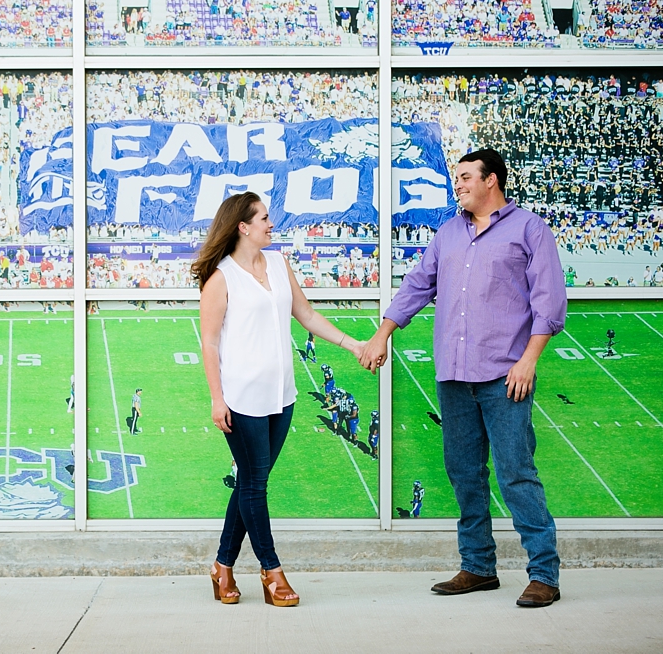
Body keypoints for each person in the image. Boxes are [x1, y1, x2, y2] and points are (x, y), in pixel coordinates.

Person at [360, 149, 567, 608]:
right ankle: (477, 566)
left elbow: (548, 302)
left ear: (491, 180)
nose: (458, 185)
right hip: (453, 376)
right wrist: (382, 335)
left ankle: (544, 574)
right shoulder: (448, 233)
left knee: (517, 473)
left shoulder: (529, 229)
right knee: (464, 474)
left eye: (466, 177)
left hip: (505, 375)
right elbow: (417, 285)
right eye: (457, 178)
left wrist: (529, 359)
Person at [194, 192, 364, 608]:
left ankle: (221, 567)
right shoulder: (221, 279)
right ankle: (272, 573)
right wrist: (218, 400)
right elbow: (210, 344)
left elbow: (305, 315)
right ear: (243, 227)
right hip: (242, 399)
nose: (272, 225)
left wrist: (353, 344)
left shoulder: (277, 263)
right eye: (265, 219)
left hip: (282, 395)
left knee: (252, 482)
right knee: (256, 484)